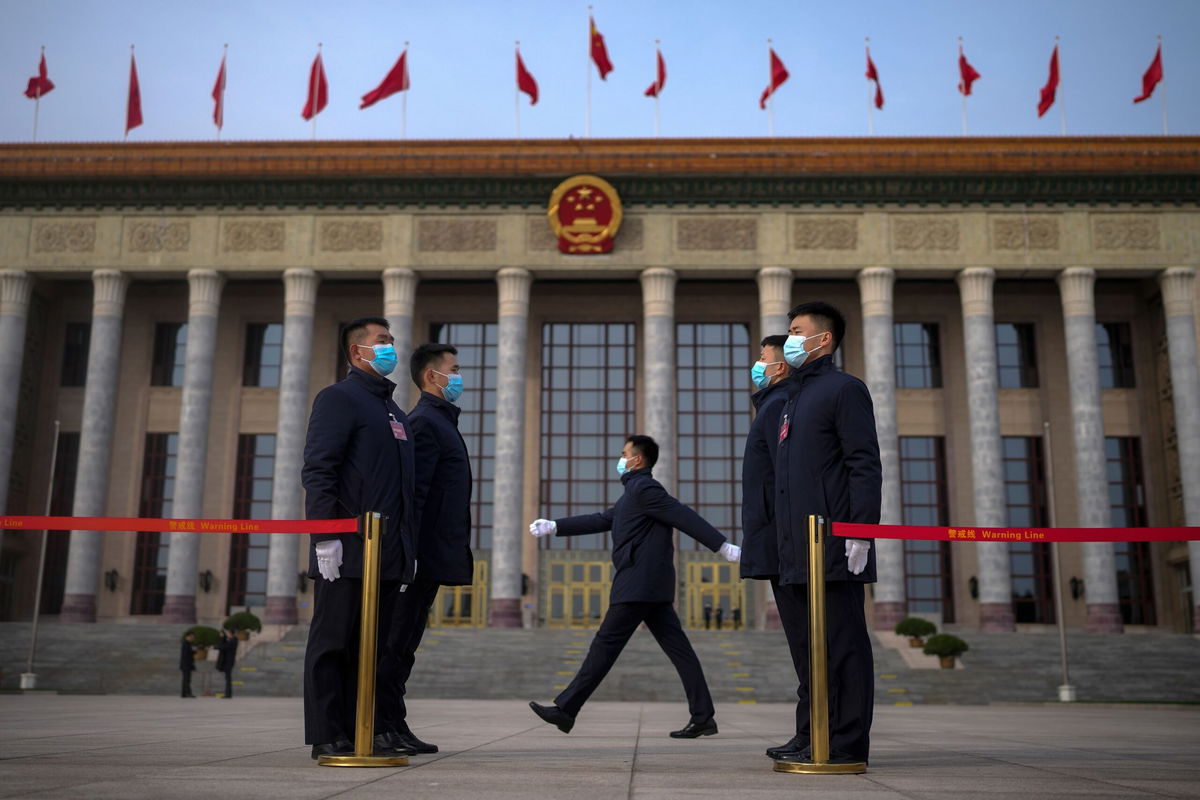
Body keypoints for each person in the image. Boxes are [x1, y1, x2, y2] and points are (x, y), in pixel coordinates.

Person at [528, 435, 741, 738]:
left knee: (605, 645)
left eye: (624, 453)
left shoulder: (644, 489)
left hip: (638, 585)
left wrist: (721, 546)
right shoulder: (632, 494)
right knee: (680, 652)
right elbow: (601, 519)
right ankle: (703, 717)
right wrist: (556, 525)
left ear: (637, 459)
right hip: (649, 587)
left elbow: (682, 515)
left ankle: (566, 709)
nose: (620, 457)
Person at [301, 316, 417, 761]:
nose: (391, 348)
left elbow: (401, 490)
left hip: (386, 556)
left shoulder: (394, 412)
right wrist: (324, 537)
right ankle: (327, 734)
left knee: (370, 648)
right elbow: (319, 471)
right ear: (357, 352)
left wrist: (407, 550)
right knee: (334, 643)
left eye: (392, 341)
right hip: (347, 550)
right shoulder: (338, 399)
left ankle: (356, 730)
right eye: (382, 341)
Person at [771, 301, 881, 765]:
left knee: (842, 647)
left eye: (797, 331)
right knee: (809, 652)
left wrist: (860, 531)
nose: (789, 339)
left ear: (823, 340)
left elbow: (863, 463)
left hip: (833, 546)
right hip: (796, 549)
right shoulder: (792, 398)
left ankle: (847, 741)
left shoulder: (844, 389)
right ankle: (815, 732)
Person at [377, 343, 473, 755]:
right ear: (432, 376)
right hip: (418, 557)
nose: (459, 376)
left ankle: (395, 724)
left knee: (405, 645)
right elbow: (412, 495)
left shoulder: (442, 422)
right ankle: (381, 726)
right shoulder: (424, 423)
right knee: (394, 642)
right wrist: (408, 552)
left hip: (432, 555)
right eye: (454, 369)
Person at [215, 630, 237, 699]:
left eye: (228, 634)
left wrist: (216, 646)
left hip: (229, 662)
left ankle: (228, 694)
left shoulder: (233, 641)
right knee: (227, 678)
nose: (227, 635)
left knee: (228, 678)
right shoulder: (231, 640)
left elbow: (225, 647)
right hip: (228, 662)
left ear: (231, 634)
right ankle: (227, 693)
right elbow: (224, 644)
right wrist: (223, 637)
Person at [179, 632, 196, 698]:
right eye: (191, 637)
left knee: (185, 679)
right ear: (187, 637)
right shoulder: (186, 644)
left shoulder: (187, 643)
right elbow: (187, 654)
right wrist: (193, 651)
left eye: (193, 637)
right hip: (186, 665)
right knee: (187, 680)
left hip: (186, 664)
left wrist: (193, 651)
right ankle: (188, 693)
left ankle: (184, 693)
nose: (192, 638)